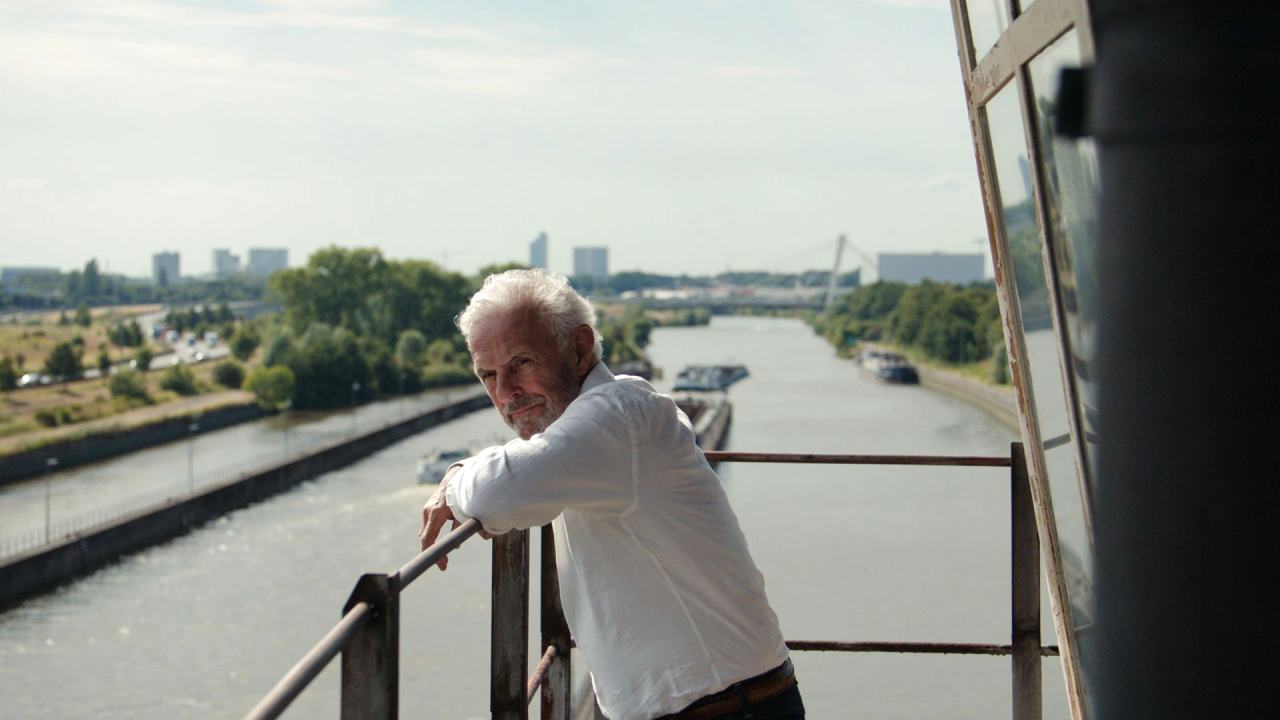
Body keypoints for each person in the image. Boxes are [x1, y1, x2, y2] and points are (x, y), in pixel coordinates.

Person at [419, 269, 803, 720]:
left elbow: (499, 495)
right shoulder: (599, 426)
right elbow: (522, 469)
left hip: (725, 708)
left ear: (579, 348)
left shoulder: (617, 418)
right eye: (488, 374)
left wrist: (455, 478)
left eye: (521, 363)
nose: (505, 392)